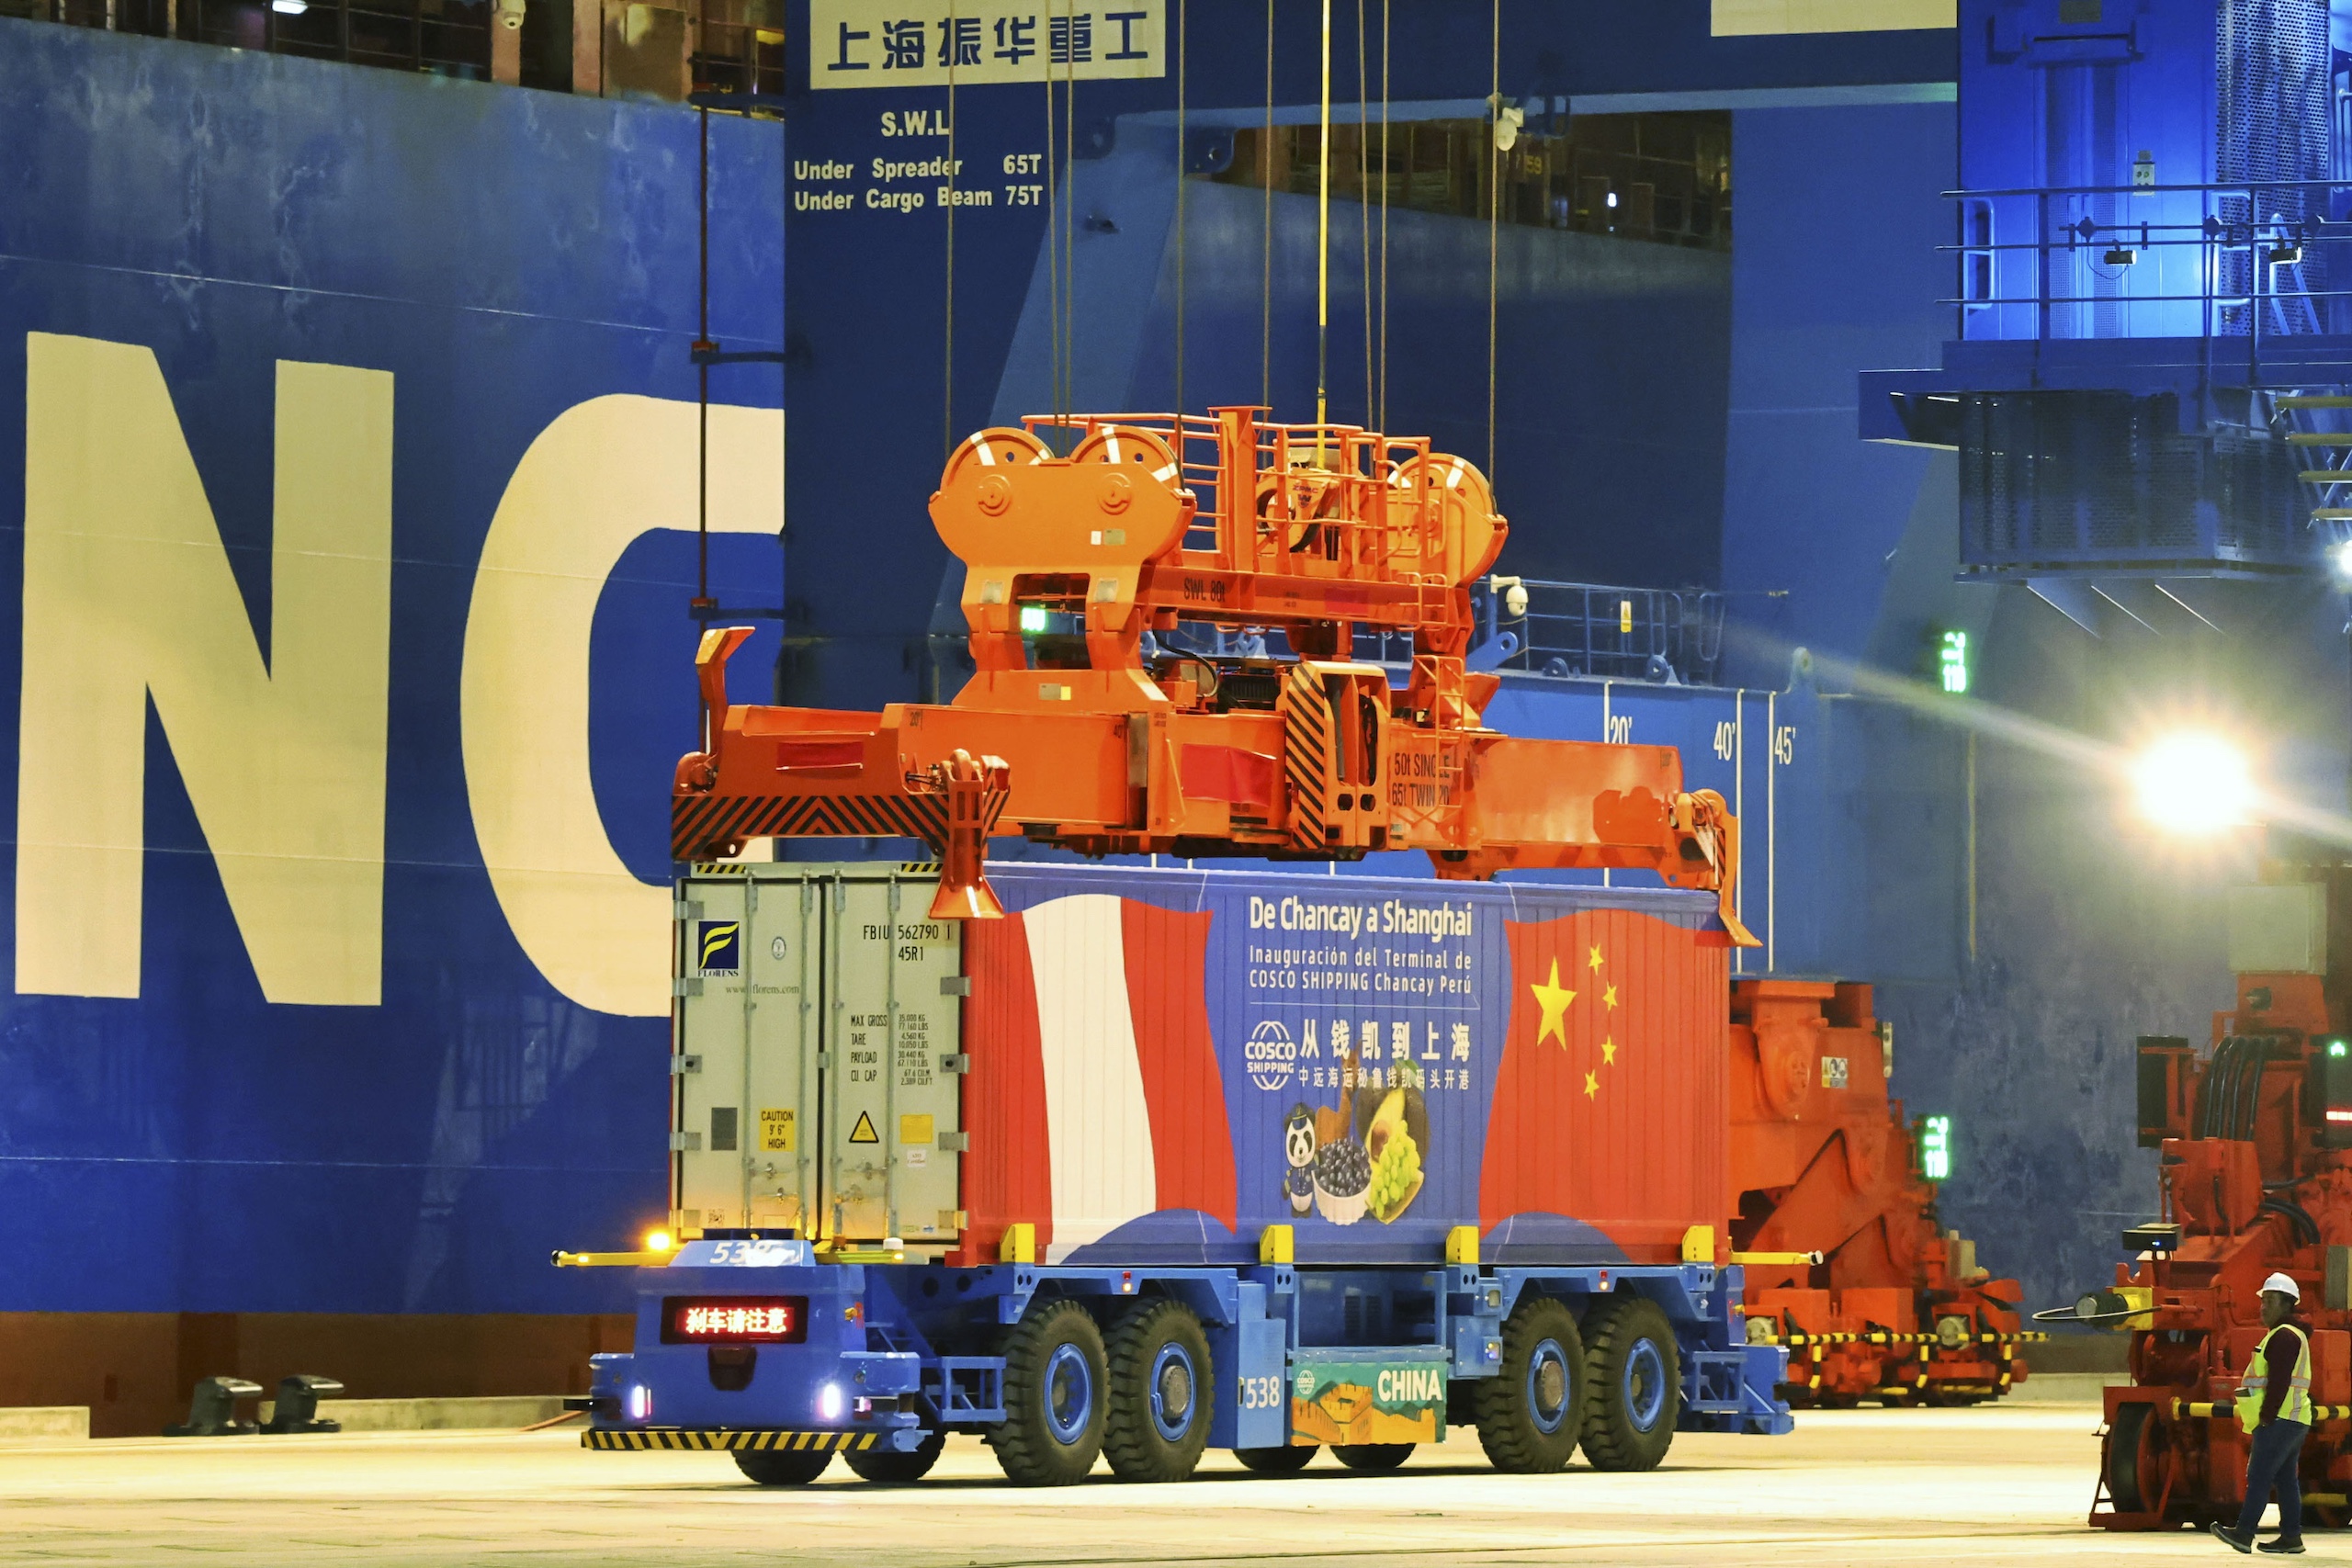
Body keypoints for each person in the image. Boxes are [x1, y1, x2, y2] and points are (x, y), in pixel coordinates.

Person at [2212, 1271, 2312, 1555]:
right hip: (2294, 1419)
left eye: (2270, 1301)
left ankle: (2244, 1533)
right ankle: (2291, 1537)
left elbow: (2279, 1382)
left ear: (2287, 1304)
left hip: (2280, 1420)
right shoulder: (2289, 1335)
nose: (2263, 1307)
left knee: (2259, 1476)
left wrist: (2267, 1417)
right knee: (2285, 1480)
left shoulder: (2283, 1337)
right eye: (2263, 1300)